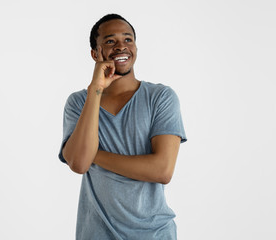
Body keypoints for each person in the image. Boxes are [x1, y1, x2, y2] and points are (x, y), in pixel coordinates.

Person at [59, 13, 187, 240]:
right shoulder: (80, 102)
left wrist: (93, 155)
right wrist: (95, 90)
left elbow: (162, 170)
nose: (121, 47)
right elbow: (79, 163)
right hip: (95, 234)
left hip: (154, 234)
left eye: (128, 39)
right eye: (110, 41)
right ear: (94, 53)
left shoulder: (160, 98)